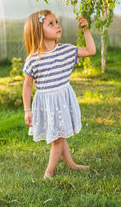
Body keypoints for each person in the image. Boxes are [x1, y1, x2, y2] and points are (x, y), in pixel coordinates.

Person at [22, 9, 96, 179]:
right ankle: (49, 172)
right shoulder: (33, 59)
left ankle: (71, 164)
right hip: (47, 103)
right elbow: (27, 86)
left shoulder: (66, 50)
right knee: (58, 137)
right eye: (51, 24)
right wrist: (27, 110)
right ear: (38, 31)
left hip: (63, 100)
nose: (57, 26)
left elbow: (91, 51)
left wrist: (86, 30)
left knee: (59, 135)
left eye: (57, 22)